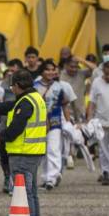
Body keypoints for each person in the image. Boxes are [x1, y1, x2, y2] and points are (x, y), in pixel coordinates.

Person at [0, 70, 47, 216]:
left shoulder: (26, 102)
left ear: (18, 85)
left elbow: (16, 127)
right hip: (33, 152)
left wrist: (2, 136)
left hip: (23, 153)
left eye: (12, 86)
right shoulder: (35, 98)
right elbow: (8, 107)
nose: (11, 89)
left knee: (24, 195)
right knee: (31, 194)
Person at [34, 59, 75, 190]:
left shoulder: (59, 87)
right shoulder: (34, 86)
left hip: (55, 123)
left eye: (53, 69)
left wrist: (68, 122)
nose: (51, 72)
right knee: (43, 152)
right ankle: (46, 178)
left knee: (53, 149)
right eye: (47, 69)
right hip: (39, 124)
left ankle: (52, 178)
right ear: (42, 72)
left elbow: (64, 105)